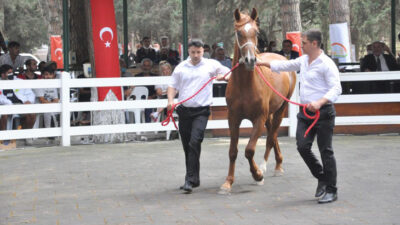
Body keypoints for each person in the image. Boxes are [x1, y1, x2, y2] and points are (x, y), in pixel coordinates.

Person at [256, 29, 342, 204]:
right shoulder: (304, 60)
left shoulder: (326, 63)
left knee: (326, 151)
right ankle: (322, 177)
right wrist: (263, 63)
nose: (300, 45)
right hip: (305, 113)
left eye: (303, 43)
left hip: (323, 112)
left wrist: (319, 102)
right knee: (303, 147)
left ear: (314, 44)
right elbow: (285, 65)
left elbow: (336, 88)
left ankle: (332, 190)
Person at [167, 39, 230, 193]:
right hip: (184, 111)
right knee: (187, 146)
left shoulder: (211, 64)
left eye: (199, 52)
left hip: (201, 111)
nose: (196, 55)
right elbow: (172, 86)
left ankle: (189, 180)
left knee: (195, 142)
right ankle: (193, 179)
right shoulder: (181, 67)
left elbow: (229, 73)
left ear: (203, 51)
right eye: (193, 52)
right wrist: (170, 101)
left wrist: (224, 77)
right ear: (189, 51)